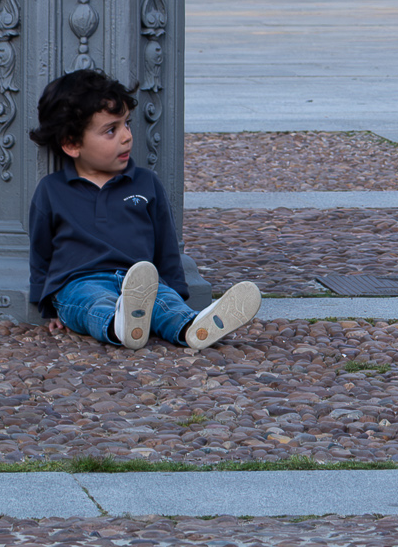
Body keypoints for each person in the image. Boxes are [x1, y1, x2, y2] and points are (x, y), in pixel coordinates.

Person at [27, 69, 260, 351]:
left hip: (140, 281)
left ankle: (193, 327)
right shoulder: (52, 190)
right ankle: (119, 326)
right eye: (111, 130)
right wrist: (46, 304)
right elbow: (41, 252)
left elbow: (166, 245)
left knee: (165, 303)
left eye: (127, 124)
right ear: (72, 144)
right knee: (92, 303)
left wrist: (176, 291)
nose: (126, 136)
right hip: (81, 281)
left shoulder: (146, 183)